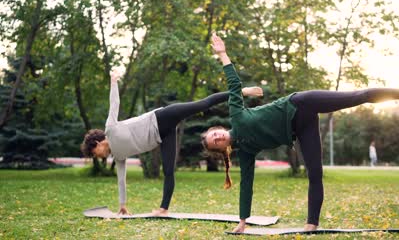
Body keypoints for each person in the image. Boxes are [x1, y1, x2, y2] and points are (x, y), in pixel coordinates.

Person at [201, 33, 399, 233]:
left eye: (215, 134)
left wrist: (222, 53)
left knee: (358, 96)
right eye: (215, 143)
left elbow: (233, 84)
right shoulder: (247, 152)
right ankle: (312, 224)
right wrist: (243, 221)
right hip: (302, 128)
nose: (218, 138)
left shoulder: (236, 115)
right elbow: (247, 185)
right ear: (221, 149)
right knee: (315, 172)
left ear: (219, 129)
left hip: (302, 103)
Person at [80, 69, 263, 216]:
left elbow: (114, 103)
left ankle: (242, 92)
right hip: (164, 136)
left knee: (203, 104)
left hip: (162, 117)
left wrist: (113, 81)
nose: (98, 156)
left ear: (96, 143)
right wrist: (122, 205)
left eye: (94, 153)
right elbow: (121, 180)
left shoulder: (110, 129)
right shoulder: (118, 156)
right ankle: (164, 209)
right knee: (168, 171)